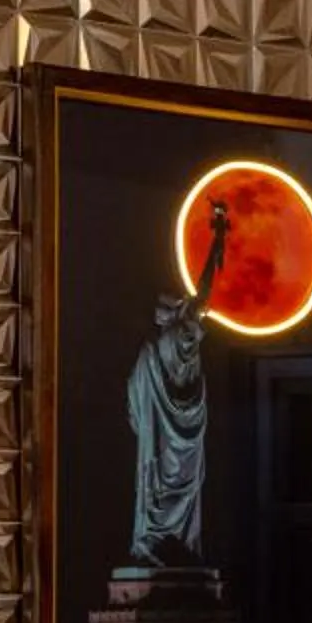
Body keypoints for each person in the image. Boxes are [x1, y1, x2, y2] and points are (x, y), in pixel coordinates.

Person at [124, 196, 228, 567]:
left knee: (157, 490)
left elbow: (135, 409)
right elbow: (203, 293)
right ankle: (176, 545)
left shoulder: (153, 349)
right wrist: (218, 239)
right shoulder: (179, 337)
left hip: (162, 441)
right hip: (184, 439)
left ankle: (155, 542)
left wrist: (217, 238)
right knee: (183, 491)